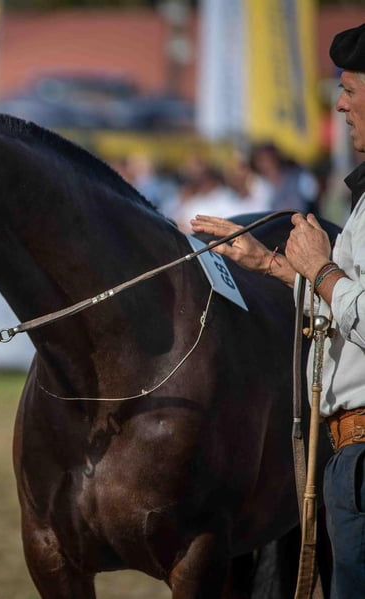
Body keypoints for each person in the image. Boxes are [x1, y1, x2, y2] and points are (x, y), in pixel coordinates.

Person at [191, 23, 365, 598]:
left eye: (350, 89)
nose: (339, 105)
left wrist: (321, 269)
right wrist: (268, 265)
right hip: (347, 451)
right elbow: (347, 305)